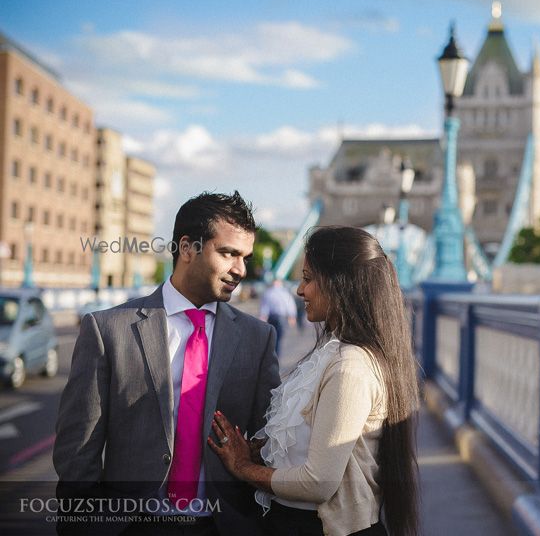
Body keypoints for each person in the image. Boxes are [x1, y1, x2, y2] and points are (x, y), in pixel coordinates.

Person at [54, 191, 281, 536]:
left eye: (245, 257)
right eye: (228, 253)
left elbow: (269, 439)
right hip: (131, 524)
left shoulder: (257, 337)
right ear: (188, 248)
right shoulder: (107, 329)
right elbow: (78, 447)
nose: (241, 270)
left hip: (224, 524)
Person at [208, 226, 420, 536]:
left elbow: (318, 482)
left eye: (308, 279)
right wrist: (261, 452)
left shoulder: (350, 366)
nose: (300, 290)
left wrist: (244, 468)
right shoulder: (332, 353)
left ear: (340, 283)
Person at [258, 279, 297, 357]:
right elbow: (289, 305)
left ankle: (272, 354)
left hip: (271, 317)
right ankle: (275, 355)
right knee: (278, 338)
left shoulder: (268, 292)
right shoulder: (285, 293)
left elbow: (265, 306)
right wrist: (292, 316)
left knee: (271, 337)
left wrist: (263, 316)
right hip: (281, 317)